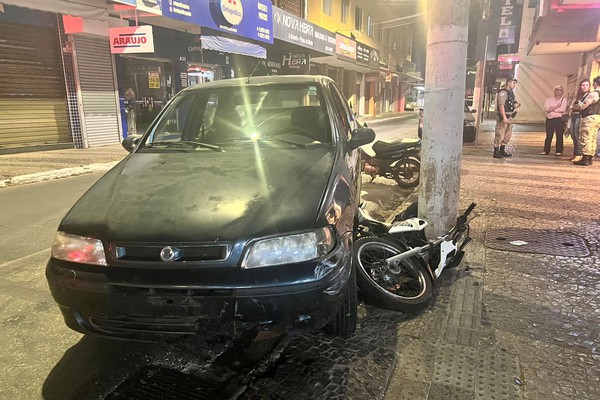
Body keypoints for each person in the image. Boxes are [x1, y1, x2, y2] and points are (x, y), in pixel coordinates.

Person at [573, 76, 600, 166]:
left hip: (589, 117)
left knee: (586, 137)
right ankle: (590, 158)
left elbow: (583, 106)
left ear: (595, 84)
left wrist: (576, 105)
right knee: (593, 138)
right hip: (597, 117)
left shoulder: (593, 94)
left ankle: (585, 158)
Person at [493, 77, 521, 158]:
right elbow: (501, 106)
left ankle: (502, 150)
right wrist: (504, 117)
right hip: (503, 116)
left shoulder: (511, 93)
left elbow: (511, 104)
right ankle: (496, 151)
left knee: (507, 135)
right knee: (500, 134)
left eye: (515, 83)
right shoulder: (503, 92)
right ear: (508, 83)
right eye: (513, 83)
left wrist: (516, 105)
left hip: (510, 116)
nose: (515, 85)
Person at [566, 79, 590, 163]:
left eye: (587, 85)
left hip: (580, 116)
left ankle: (579, 154)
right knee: (572, 135)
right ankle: (575, 153)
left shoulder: (589, 96)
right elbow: (571, 106)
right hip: (573, 116)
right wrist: (575, 106)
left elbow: (582, 107)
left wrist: (575, 106)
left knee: (577, 135)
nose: (584, 87)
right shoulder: (578, 95)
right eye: (583, 85)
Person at [541, 85, 567, 155]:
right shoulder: (549, 99)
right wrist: (556, 107)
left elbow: (562, 109)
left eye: (559, 90)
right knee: (549, 135)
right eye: (556, 89)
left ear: (562, 92)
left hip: (559, 119)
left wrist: (551, 109)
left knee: (559, 135)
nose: (558, 91)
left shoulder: (563, 99)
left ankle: (559, 150)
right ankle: (546, 150)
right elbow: (546, 108)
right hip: (550, 119)